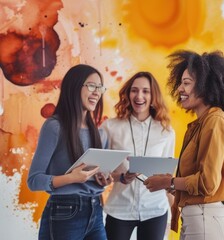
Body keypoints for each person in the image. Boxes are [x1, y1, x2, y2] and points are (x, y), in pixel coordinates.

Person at [144, 50, 224, 240]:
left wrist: (168, 182)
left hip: (206, 220)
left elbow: (207, 183)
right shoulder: (201, 124)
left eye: (186, 83)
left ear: (206, 87)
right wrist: (175, 184)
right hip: (198, 219)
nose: (180, 89)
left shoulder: (215, 121)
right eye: (180, 83)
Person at [27, 64, 112, 239]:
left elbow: (94, 179)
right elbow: (34, 180)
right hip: (64, 213)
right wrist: (71, 178)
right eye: (91, 86)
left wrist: (103, 180)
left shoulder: (99, 132)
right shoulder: (54, 127)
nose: (97, 92)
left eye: (100, 87)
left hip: (95, 210)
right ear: (74, 87)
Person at [100, 71, 175, 240]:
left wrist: (174, 212)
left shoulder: (166, 132)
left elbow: (167, 176)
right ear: (128, 93)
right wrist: (122, 177)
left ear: (153, 95)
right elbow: (98, 173)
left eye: (145, 91)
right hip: (119, 208)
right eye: (134, 90)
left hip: (155, 209)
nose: (139, 96)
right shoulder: (110, 127)